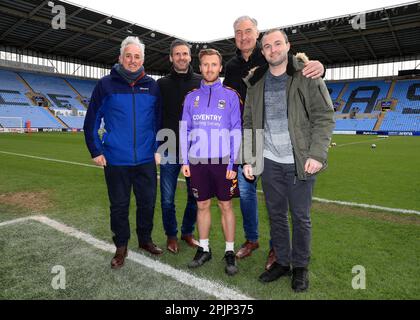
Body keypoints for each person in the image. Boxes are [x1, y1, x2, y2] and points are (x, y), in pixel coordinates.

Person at [223, 16, 326, 270]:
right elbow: (241, 113)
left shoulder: (290, 66)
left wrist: (318, 65)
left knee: (297, 215)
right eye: (239, 32)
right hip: (259, 149)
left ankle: (290, 260)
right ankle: (265, 249)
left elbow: (322, 112)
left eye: (249, 31)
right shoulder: (240, 71)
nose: (244, 36)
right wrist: (245, 154)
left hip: (292, 153)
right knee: (264, 206)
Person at [242, 29, 335, 292]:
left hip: (299, 160)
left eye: (278, 44)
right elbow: (249, 123)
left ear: (288, 46)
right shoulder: (256, 81)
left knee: (300, 217)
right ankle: (282, 262)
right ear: (263, 52)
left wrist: (317, 154)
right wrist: (249, 158)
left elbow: (324, 116)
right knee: (276, 215)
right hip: (270, 161)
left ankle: (301, 266)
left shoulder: (307, 74)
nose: (273, 49)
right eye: (267, 46)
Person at [83, 36, 163, 270]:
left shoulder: (152, 85)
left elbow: (158, 121)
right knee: (119, 205)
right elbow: (91, 121)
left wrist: (158, 148)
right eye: (128, 56)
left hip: (146, 159)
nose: (132, 60)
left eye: (137, 56)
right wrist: (95, 149)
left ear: (143, 60)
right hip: (116, 159)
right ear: (120, 58)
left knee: (147, 203)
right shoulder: (105, 85)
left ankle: (145, 240)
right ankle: (120, 246)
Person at [180, 49, 242, 276]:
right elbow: (184, 129)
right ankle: (204, 248)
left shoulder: (231, 96)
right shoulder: (190, 97)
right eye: (205, 65)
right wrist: (184, 160)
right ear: (200, 67)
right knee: (202, 205)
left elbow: (237, 129)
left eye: (213, 65)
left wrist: (232, 164)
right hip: (197, 161)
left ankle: (229, 251)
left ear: (220, 67)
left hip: (223, 161)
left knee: (226, 206)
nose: (209, 69)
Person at [157, 39, 202, 254]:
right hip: (168, 147)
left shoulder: (201, 82)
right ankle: (171, 235)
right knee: (167, 198)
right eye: (177, 54)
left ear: (190, 56)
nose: (182, 57)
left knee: (195, 196)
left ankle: (187, 232)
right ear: (171, 58)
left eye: (185, 53)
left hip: (195, 150)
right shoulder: (161, 84)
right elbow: (156, 117)